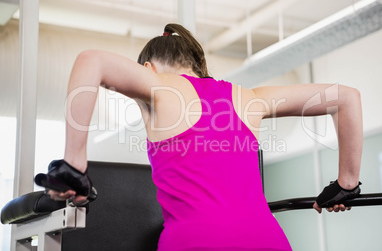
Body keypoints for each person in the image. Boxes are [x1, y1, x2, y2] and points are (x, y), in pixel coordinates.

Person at [35, 23, 363, 250]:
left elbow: (89, 60)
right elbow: (346, 98)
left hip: (194, 243)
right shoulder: (250, 97)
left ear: (148, 68)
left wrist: (74, 166)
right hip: (270, 242)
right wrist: (346, 184)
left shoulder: (160, 89)